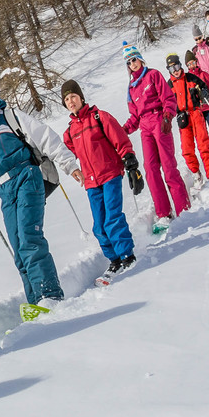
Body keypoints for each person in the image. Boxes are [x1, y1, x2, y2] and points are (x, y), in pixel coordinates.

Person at [0, 90, 78, 316]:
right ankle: (35, 303)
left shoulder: (10, 117)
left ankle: (49, 297)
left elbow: (45, 137)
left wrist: (69, 164)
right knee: (18, 250)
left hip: (27, 176)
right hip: (5, 190)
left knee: (29, 238)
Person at [59, 79, 142, 277]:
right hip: (91, 182)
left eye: (73, 97)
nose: (71, 101)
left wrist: (130, 161)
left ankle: (127, 255)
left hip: (110, 174)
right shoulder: (69, 132)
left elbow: (120, 139)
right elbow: (67, 155)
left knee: (112, 217)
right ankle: (114, 259)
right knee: (98, 225)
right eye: (67, 99)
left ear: (81, 97)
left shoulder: (99, 117)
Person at [122, 43, 189, 234]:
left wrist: (168, 115)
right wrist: (123, 130)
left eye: (134, 59)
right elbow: (134, 116)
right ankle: (163, 213)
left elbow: (168, 99)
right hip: (145, 127)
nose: (132, 64)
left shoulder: (153, 75)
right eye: (129, 62)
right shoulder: (131, 88)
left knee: (168, 167)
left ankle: (183, 208)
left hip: (160, 120)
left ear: (140, 59)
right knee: (151, 170)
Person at [166, 55, 209, 182]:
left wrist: (203, 92)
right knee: (187, 149)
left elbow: (204, 86)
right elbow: (165, 101)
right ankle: (195, 172)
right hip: (182, 117)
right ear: (169, 70)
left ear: (180, 65)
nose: (176, 71)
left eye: (177, 66)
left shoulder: (190, 78)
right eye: (172, 69)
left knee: (203, 142)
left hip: (195, 113)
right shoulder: (169, 85)